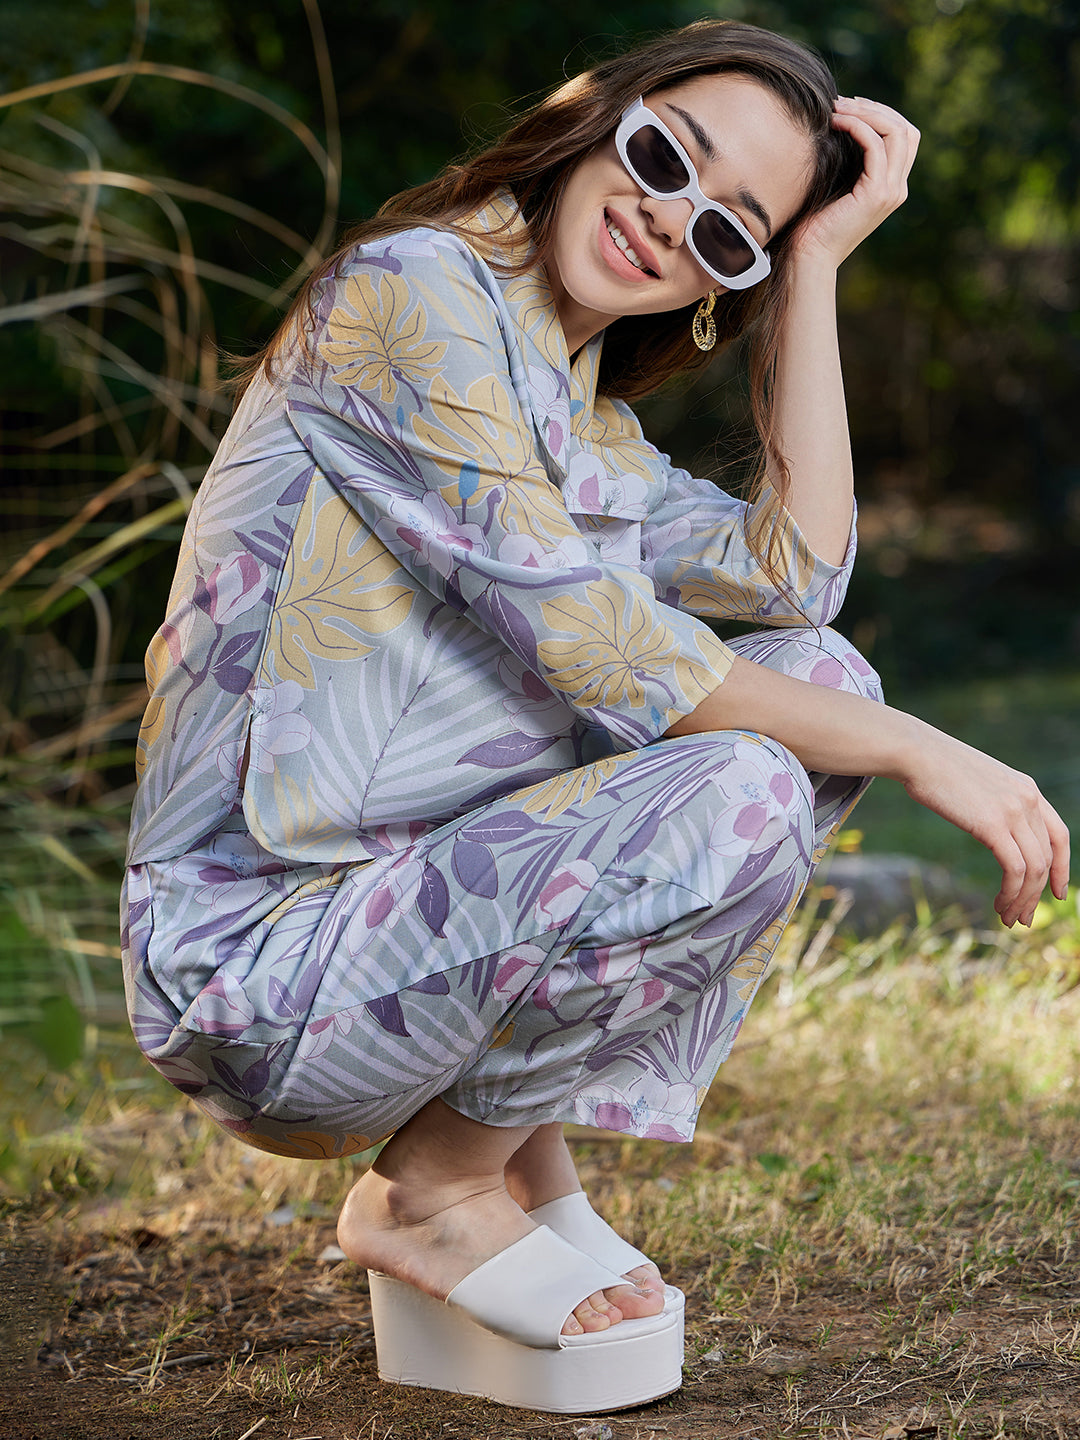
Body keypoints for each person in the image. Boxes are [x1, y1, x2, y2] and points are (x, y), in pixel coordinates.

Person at [120, 18, 1069, 1414]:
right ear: (591, 116)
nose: (670, 219)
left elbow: (795, 578)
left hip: (393, 943)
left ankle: (511, 1160)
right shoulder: (413, 292)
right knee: (751, 780)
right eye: (665, 156)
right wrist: (931, 751)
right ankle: (435, 1192)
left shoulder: (573, 415)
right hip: (254, 975)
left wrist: (813, 263)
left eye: (728, 232)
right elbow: (605, 652)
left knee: (823, 682)